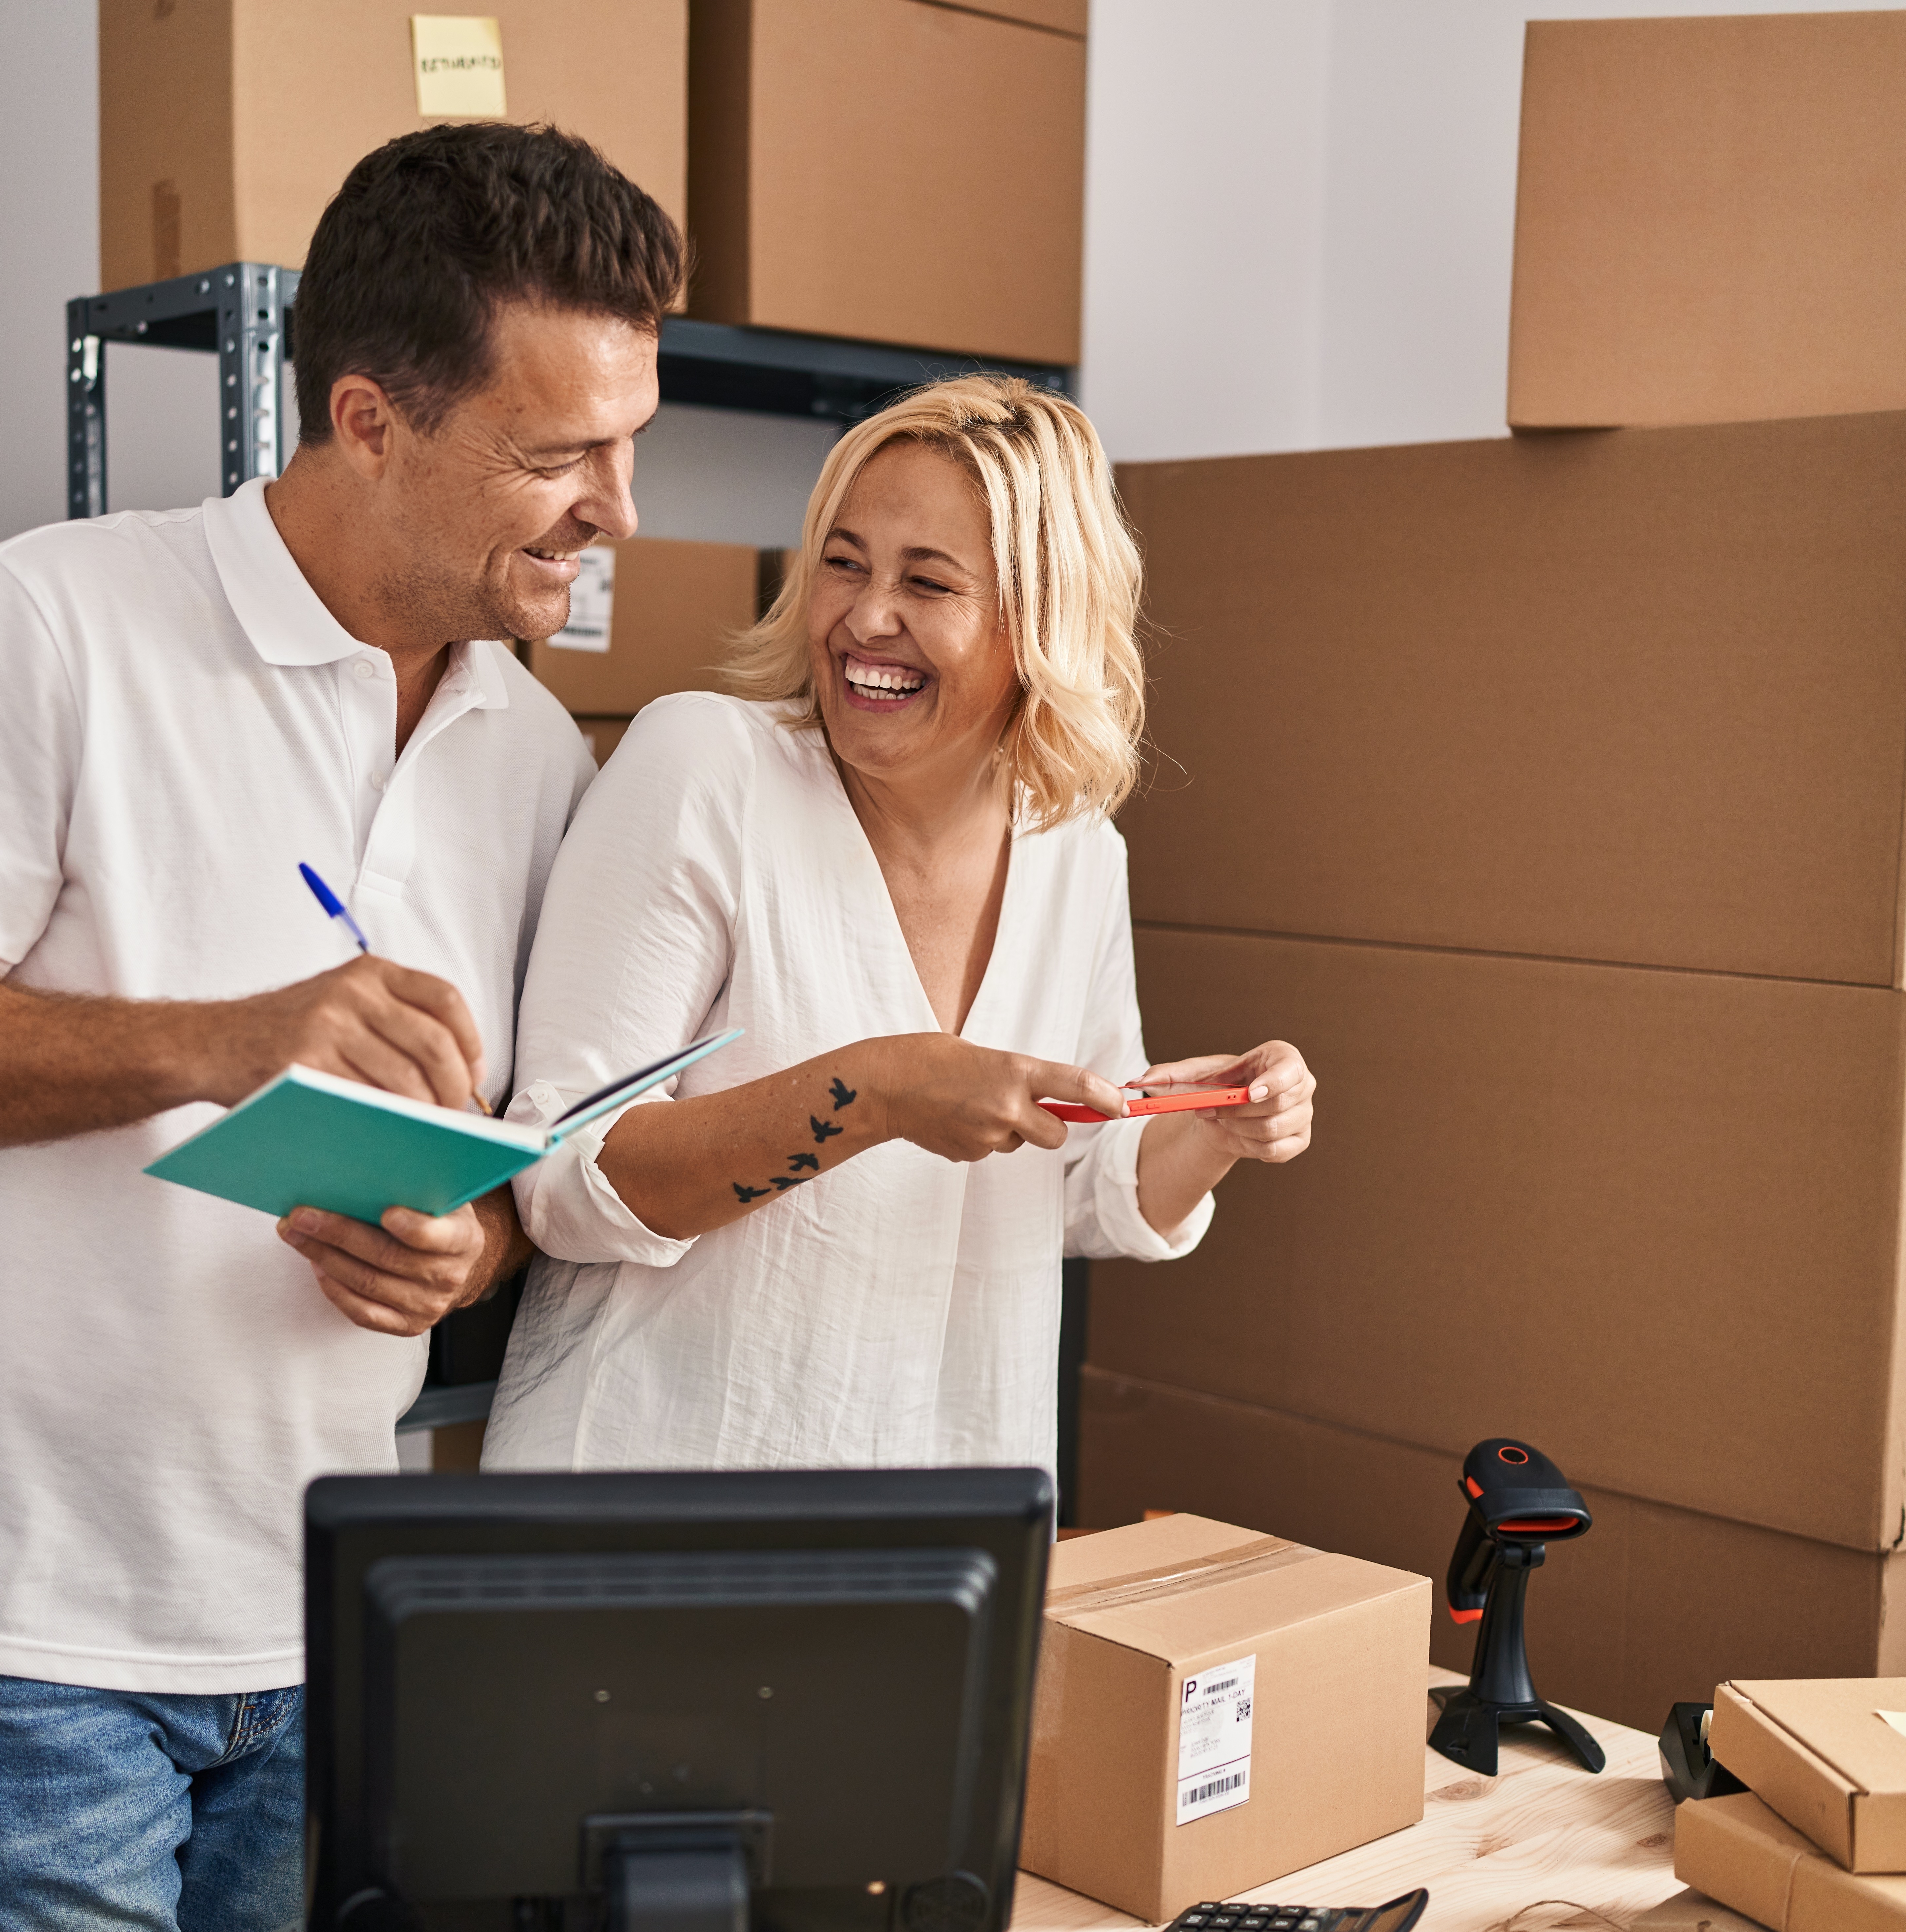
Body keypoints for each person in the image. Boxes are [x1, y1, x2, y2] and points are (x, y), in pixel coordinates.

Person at [0, 126, 682, 1932]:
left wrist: (463, 1243)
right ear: (368, 419)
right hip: (14, 1624)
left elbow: (502, 1172)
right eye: (557, 454)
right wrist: (225, 1038)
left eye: (629, 442)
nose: (616, 511)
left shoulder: (533, 745)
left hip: (317, 1610)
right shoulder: (48, 622)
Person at [482, 376, 1316, 1473]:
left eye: (928, 582)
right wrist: (877, 1091)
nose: (865, 618)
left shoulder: (1075, 851)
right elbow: (566, 1178)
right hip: (650, 1520)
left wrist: (1210, 1128)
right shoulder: (705, 769)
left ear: (1038, 624)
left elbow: (1076, 1187)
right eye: (843, 562)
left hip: (939, 1525)